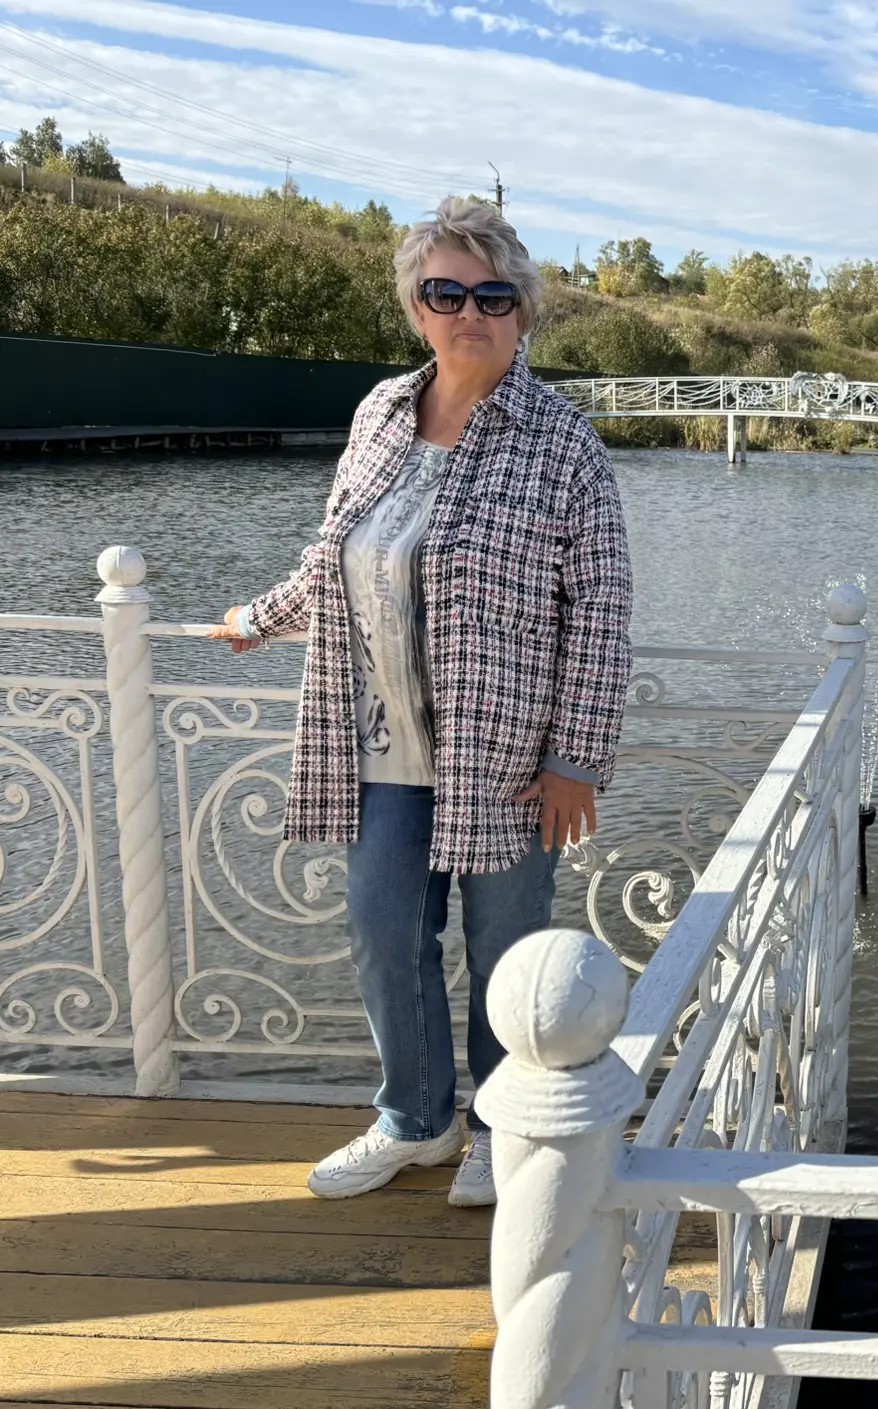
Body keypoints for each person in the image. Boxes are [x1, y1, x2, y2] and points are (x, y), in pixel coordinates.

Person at [209, 196, 633, 1206]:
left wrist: (575, 760)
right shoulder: (380, 415)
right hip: (380, 746)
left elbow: (603, 609)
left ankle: (500, 1124)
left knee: (506, 950)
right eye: (446, 292)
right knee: (382, 928)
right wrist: (258, 618)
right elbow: (336, 558)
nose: (469, 311)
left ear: (523, 311)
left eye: (493, 295)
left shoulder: (563, 444)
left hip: (509, 756)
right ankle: (417, 1119)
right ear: (417, 308)